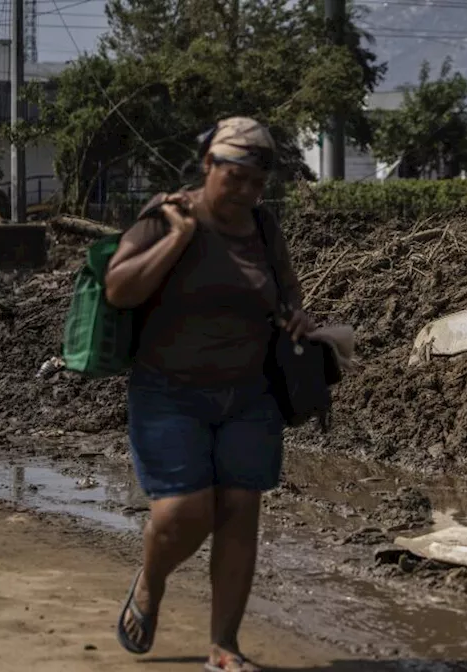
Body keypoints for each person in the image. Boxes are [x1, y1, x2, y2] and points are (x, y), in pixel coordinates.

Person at [103, 116, 313, 672]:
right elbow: (120, 289)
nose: (244, 190)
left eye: (256, 181)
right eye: (234, 176)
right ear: (208, 166)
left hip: (249, 395)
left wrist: (296, 317)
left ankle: (224, 646)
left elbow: (287, 291)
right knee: (185, 513)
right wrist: (177, 239)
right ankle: (151, 581)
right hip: (169, 393)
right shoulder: (168, 212)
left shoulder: (264, 228)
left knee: (241, 510)